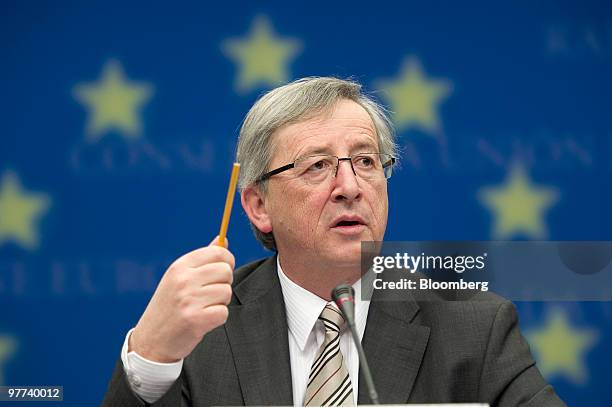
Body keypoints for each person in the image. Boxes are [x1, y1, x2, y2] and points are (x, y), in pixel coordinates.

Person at [102, 77, 565, 406]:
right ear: (258, 205)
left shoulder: (474, 327)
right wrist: (151, 358)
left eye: (365, 161)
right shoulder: (203, 332)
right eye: (317, 165)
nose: (350, 186)